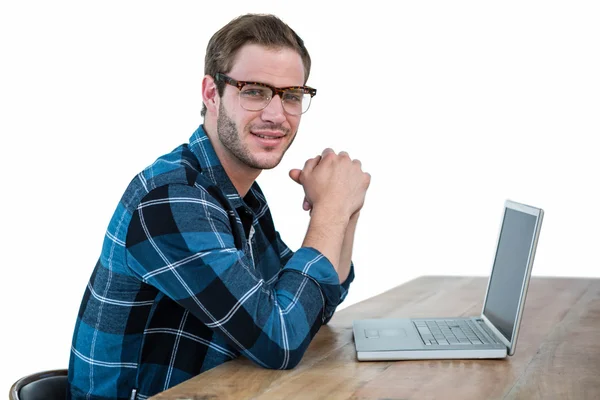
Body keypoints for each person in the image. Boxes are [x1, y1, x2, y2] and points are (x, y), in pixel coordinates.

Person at [67, 13, 370, 400]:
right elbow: (282, 339)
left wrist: (346, 208)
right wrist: (330, 210)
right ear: (211, 93)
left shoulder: (240, 195)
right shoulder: (173, 200)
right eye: (254, 91)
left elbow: (313, 306)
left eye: (291, 95)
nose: (276, 115)